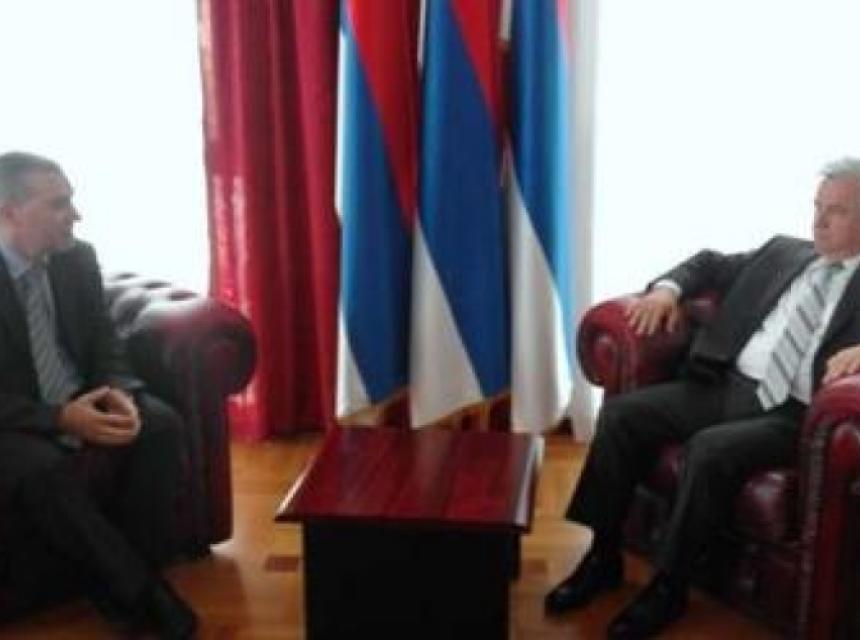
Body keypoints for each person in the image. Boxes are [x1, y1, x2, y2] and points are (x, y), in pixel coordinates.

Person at [545, 157, 860, 638]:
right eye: (817, 206)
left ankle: (668, 588)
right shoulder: (785, 252)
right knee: (623, 416)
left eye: (836, 211)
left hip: (791, 413)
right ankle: (602, 556)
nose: (818, 221)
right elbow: (709, 263)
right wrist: (666, 292)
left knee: (710, 449)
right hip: (722, 384)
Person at [0, 151, 197, 638]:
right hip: (16, 418)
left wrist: (120, 390)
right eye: (58, 204)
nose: (76, 214)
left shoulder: (77, 258)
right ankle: (143, 593)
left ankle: (131, 575)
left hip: (83, 394)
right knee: (42, 470)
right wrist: (59, 419)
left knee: (161, 425)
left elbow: (104, 340)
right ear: (9, 212)